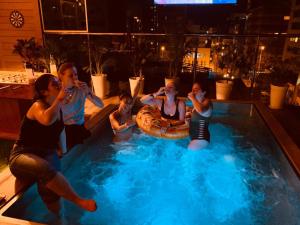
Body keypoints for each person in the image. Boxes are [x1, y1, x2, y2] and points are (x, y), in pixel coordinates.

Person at [9, 74, 97, 214]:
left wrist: (64, 151)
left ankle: (58, 218)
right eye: (54, 83)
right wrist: (60, 98)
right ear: (44, 92)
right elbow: (47, 120)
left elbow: (60, 129)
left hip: (46, 152)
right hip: (23, 153)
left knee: (50, 185)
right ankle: (79, 201)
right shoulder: (38, 106)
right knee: (45, 168)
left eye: (58, 82)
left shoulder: (57, 108)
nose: (59, 84)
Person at [58, 63, 104, 150]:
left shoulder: (81, 89)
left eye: (76, 74)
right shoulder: (57, 91)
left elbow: (101, 105)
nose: (75, 78)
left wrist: (88, 92)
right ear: (61, 76)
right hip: (65, 130)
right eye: (70, 75)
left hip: (80, 127)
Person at [109, 78, 142, 142]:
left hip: (130, 142)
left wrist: (139, 82)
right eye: (126, 102)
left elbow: (135, 94)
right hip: (120, 146)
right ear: (120, 101)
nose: (128, 105)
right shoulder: (113, 115)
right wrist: (126, 125)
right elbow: (118, 128)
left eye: (130, 103)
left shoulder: (128, 109)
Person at [187, 82, 212, 150]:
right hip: (195, 138)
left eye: (196, 89)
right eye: (192, 89)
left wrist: (192, 98)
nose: (193, 92)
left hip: (201, 139)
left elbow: (200, 109)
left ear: (204, 92)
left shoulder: (207, 101)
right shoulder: (197, 104)